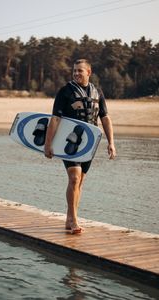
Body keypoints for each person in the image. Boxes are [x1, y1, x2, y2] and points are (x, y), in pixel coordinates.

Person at [44, 59, 116, 234]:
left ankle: (70, 218)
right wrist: (48, 144)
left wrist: (111, 142)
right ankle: (74, 220)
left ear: (88, 72)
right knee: (74, 179)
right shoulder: (65, 92)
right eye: (74, 71)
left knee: (80, 181)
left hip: (89, 144)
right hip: (69, 142)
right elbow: (55, 119)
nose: (76, 74)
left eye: (80, 71)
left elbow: (105, 118)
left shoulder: (97, 92)